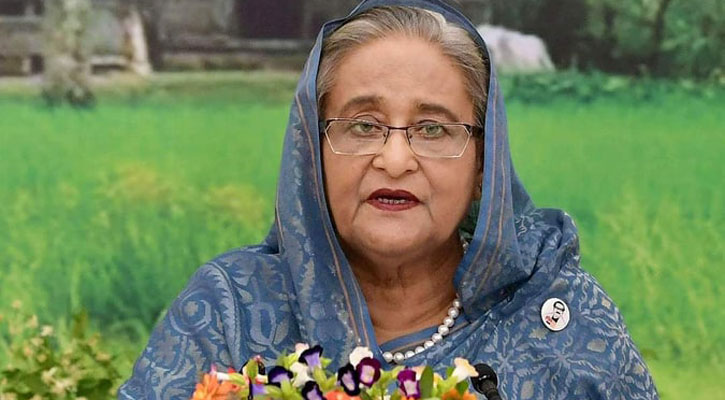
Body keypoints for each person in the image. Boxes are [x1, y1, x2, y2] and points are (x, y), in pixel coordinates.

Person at [119, 0, 658, 399]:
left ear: (483, 167)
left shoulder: (558, 317)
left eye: (433, 128)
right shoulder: (231, 311)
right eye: (363, 125)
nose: (395, 160)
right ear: (313, 154)